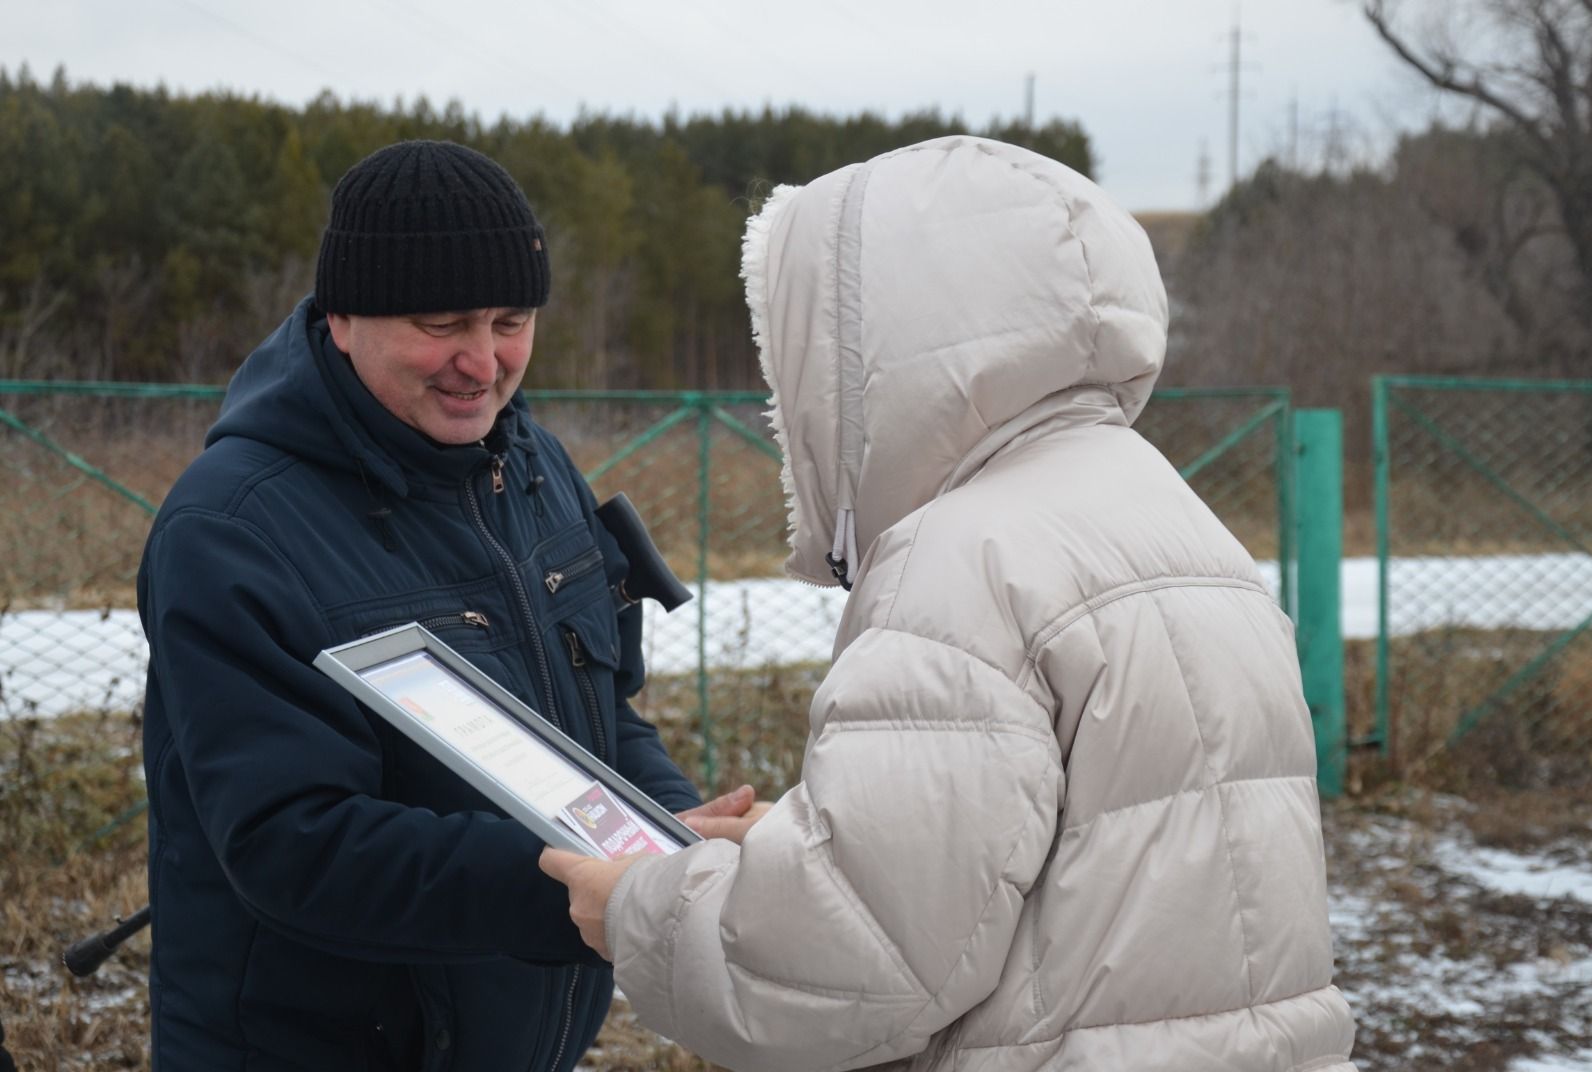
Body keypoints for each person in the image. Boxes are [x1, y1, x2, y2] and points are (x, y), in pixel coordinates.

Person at [541, 135, 1359, 1072]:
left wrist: (639, 906)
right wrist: (795, 851)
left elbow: (848, 975)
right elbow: (1086, 867)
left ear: (872, 351)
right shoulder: (1177, 522)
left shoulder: (961, 557)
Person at [138, 140, 748, 1071]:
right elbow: (293, 844)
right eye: (442, 322)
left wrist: (671, 829)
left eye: (511, 320)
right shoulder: (232, 529)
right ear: (343, 316)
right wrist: (572, 891)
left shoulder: (532, 468)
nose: (483, 361)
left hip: (516, 1036)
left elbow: (593, 717)